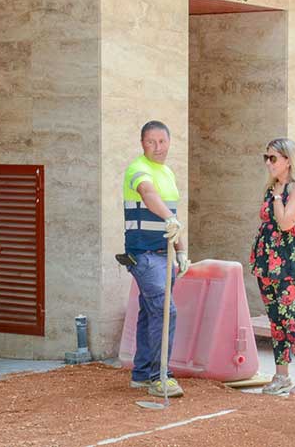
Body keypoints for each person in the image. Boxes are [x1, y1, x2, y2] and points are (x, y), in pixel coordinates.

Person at [123, 120, 190, 398]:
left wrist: (182, 249)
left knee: (150, 311)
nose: (157, 147)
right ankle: (160, 376)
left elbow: (172, 217)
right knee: (165, 310)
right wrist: (171, 219)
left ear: (169, 142)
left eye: (162, 141)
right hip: (144, 255)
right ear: (142, 144)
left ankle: (141, 374)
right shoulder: (138, 169)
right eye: (151, 142)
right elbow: (150, 197)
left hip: (166, 255)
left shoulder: (168, 172)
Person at [250, 138, 295, 395]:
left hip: (290, 262)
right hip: (267, 261)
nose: (268, 163)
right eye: (265, 157)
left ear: (288, 160)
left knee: (289, 318)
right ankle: (281, 375)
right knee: (275, 320)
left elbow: (286, 222)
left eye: (273, 158)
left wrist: (278, 197)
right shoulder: (273, 188)